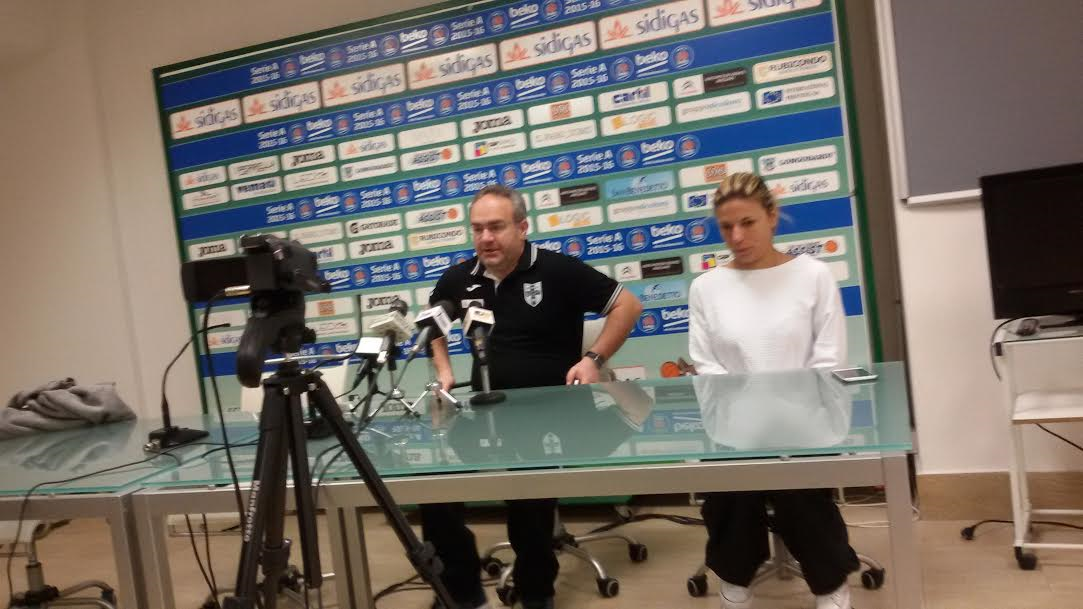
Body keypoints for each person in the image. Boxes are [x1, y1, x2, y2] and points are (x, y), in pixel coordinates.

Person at [422, 184, 642, 609]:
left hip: (553, 415)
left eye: (496, 227)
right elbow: (433, 325)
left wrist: (594, 359)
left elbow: (628, 306)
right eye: (478, 229)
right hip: (486, 412)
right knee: (434, 488)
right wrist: (444, 370)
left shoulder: (559, 271)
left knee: (529, 495)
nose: (486, 237)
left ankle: (537, 591)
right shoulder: (458, 278)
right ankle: (463, 593)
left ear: (522, 228)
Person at [687, 172, 859, 609]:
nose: (737, 236)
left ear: (772, 217)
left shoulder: (813, 275)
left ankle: (830, 583)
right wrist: (745, 413)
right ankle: (735, 576)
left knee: (803, 497)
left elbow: (828, 359)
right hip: (736, 425)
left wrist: (789, 413)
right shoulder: (706, 287)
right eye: (727, 227)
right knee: (730, 496)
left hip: (803, 423)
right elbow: (706, 363)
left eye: (748, 223)